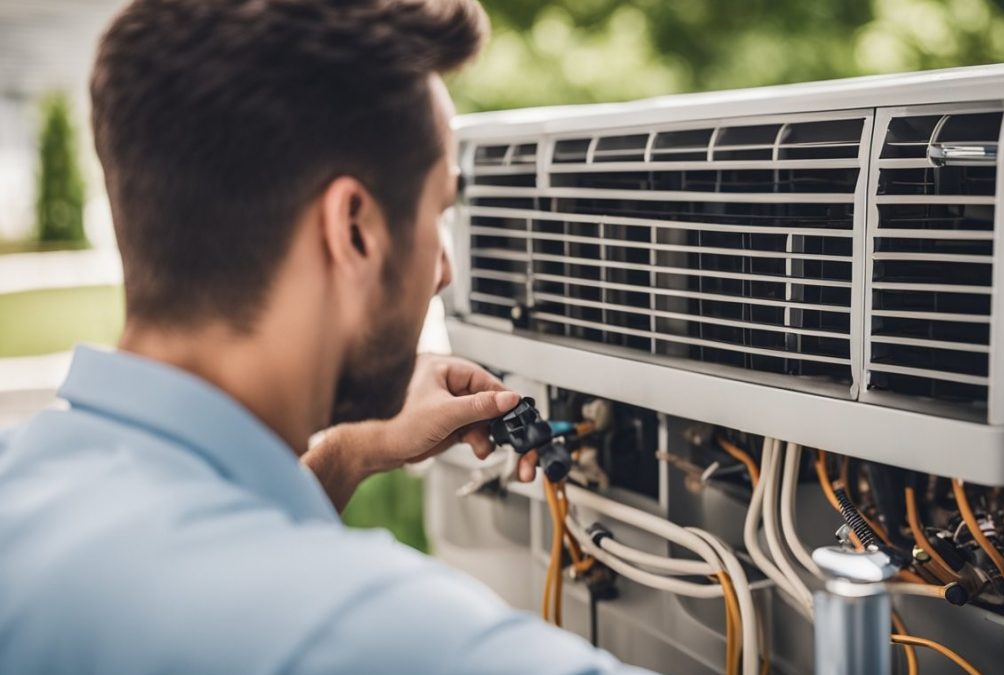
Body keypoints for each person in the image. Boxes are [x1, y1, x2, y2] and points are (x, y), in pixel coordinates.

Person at [0, 1, 650, 672]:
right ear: (355, 231)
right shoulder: (395, 638)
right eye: (438, 213)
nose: (445, 268)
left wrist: (345, 455)